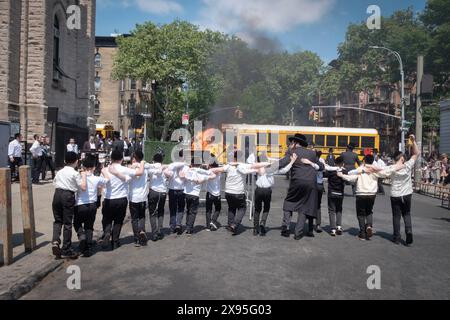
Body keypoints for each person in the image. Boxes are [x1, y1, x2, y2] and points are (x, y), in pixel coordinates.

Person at [338, 155, 403, 241]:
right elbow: (385, 172)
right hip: (372, 194)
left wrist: (342, 175)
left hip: (361, 193)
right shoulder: (375, 170)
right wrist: (396, 167)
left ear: (364, 161)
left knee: (361, 214)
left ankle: (362, 234)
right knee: (369, 211)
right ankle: (369, 225)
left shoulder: (360, 169)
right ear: (372, 162)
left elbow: (352, 178)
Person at [211, 151, 271, 236]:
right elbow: (256, 166)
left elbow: (217, 169)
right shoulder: (243, 165)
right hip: (238, 192)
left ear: (234, 158)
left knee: (231, 208)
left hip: (228, 192)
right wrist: (267, 163)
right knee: (242, 208)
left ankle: (230, 224)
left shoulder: (228, 166)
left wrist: (209, 170)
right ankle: (234, 224)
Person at [278, 134, 324, 240]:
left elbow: (282, 162)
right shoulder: (312, 153)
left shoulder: (292, 152)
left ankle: (286, 228)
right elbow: (321, 167)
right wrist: (311, 163)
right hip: (311, 184)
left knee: (288, 202)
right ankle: (298, 233)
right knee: (304, 206)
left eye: (291, 142)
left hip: (297, 182)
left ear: (295, 142)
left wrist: (268, 167)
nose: (290, 144)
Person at [101, 150, 145, 250]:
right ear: (121, 159)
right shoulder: (124, 169)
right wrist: (141, 163)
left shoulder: (105, 169)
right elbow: (139, 173)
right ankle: (115, 241)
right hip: (121, 199)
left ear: (111, 159)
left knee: (107, 219)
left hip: (109, 198)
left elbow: (102, 184)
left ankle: (107, 232)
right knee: (118, 220)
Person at [381, 135, 420, 246]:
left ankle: (396, 237)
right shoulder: (407, 165)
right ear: (402, 159)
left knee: (396, 216)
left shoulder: (392, 167)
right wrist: (413, 142)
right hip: (407, 194)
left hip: (395, 194)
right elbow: (416, 154)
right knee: (407, 214)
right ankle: (408, 231)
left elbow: (383, 173)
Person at [51, 151, 87, 259]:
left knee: (58, 220)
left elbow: (54, 183)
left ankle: (55, 241)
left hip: (57, 194)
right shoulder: (75, 173)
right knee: (67, 223)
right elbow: (83, 187)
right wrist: (83, 175)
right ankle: (66, 249)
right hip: (68, 196)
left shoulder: (60, 171)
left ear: (64, 161)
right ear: (76, 161)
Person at [252, 152, 296, 236]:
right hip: (267, 190)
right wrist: (292, 162)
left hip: (258, 190)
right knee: (266, 208)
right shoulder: (272, 168)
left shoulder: (257, 168)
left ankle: (255, 228)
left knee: (257, 209)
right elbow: (284, 170)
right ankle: (263, 223)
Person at [74, 156, 108, 257]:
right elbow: (107, 180)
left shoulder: (79, 177)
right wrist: (103, 170)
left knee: (76, 222)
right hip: (92, 204)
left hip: (80, 204)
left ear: (83, 167)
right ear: (94, 168)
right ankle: (88, 246)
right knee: (89, 226)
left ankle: (81, 236)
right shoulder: (96, 178)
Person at [174, 157, 216, 235]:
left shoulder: (188, 170)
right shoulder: (201, 172)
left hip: (186, 193)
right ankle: (189, 229)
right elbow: (213, 175)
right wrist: (205, 178)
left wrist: (189, 176)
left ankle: (187, 226)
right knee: (192, 212)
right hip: (195, 195)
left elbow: (181, 175)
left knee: (188, 210)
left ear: (191, 163)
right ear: (200, 164)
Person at [148, 153, 170, 242]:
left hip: (153, 191)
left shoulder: (151, 167)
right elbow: (169, 175)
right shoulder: (165, 167)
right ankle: (160, 230)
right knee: (161, 211)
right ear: (162, 160)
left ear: (153, 159)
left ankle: (154, 233)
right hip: (163, 192)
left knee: (152, 213)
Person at [167, 150, 189, 233]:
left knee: (172, 208)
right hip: (182, 189)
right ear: (183, 157)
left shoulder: (172, 165)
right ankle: (178, 224)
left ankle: (172, 226)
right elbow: (186, 178)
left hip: (172, 189)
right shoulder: (186, 167)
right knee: (180, 208)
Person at [324, 156, 347, 236]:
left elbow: (325, 173)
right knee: (339, 210)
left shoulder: (331, 172)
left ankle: (333, 229)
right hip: (340, 193)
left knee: (331, 211)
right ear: (342, 163)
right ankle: (339, 226)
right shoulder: (344, 172)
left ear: (335, 163)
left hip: (332, 193)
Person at [205, 159, 222, 232]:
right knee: (218, 209)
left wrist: (207, 166)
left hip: (209, 194)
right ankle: (213, 220)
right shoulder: (219, 172)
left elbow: (207, 170)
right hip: (217, 195)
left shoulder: (208, 172)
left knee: (208, 210)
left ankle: (208, 226)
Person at [314, 150, 326, 233]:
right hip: (320, 184)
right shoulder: (322, 162)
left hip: (312, 185)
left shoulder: (311, 162)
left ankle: (309, 224)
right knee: (318, 205)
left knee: (308, 204)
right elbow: (325, 170)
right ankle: (318, 224)